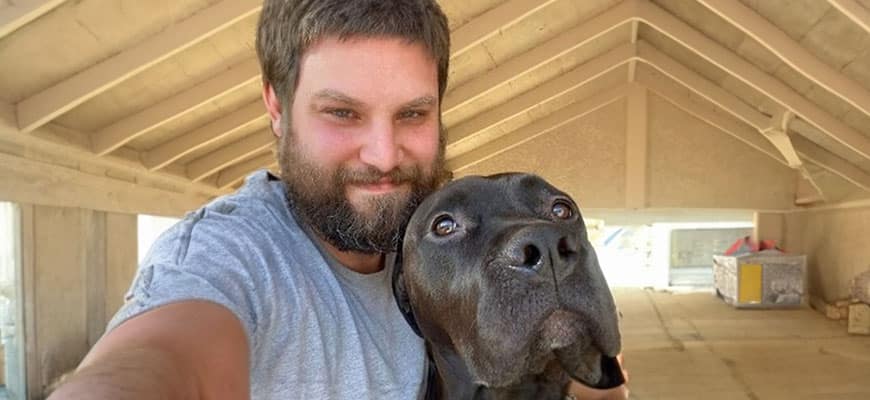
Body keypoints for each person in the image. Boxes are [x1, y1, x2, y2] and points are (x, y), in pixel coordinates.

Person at [49, 0, 628, 399]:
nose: (382, 154)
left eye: (413, 113)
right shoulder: (236, 255)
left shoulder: (423, 236)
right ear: (277, 108)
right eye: (342, 113)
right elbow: (158, 362)